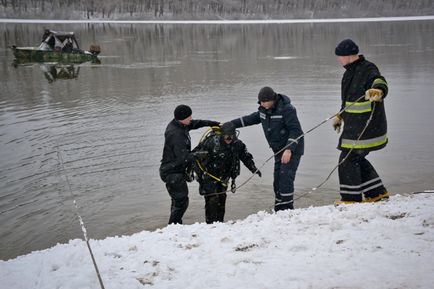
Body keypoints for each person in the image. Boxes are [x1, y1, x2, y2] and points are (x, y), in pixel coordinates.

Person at [332, 39, 390, 204]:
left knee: (347, 159)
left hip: (367, 127)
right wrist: (340, 116)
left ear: (348, 55)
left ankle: (351, 199)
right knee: (355, 158)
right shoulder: (348, 73)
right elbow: (349, 101)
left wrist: (379, 90)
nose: (338, 59)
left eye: (340, 56)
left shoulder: (368, 68)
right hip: (353, 127)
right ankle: (377, 194)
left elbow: (379, 80)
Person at [229, 86, 304, 211]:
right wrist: (229, 124)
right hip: (278, 151)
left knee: (285, 179)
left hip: (291, 150)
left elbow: (296, 131)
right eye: (260, 102)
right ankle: (279, 209)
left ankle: (287, 210)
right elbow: (249, 119)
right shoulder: (263, 110)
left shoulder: (287, 109)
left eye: (265, 102)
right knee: (277, 181)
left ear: (272, 99)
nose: (262, 104)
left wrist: (289, 149)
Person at [160, 105, 219, 224]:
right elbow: (183, 157)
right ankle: (173, 226)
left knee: (177, 201)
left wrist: (211, 123)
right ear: (182, 118)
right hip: (172, 172)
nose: (191, 118)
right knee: (182, 202)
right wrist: (200, 154)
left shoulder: (180, 124)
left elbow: (195, 123)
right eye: (189, 116)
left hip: (174, 170)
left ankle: (175, 225)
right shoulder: (176, 134)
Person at [192, 122, 261, 224]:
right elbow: (194, 155)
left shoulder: (238, 144)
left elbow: (245, 157)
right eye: (226, 136)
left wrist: (253, 168)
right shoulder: (211, 142)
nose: (228, 139)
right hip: (209, 176)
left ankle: (220, 223)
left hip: (225, 176)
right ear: (221, 134)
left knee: (221, 199)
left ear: (235, 135)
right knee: (212, 200)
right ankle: (210, 224)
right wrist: (196, 167)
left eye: (231, 137)